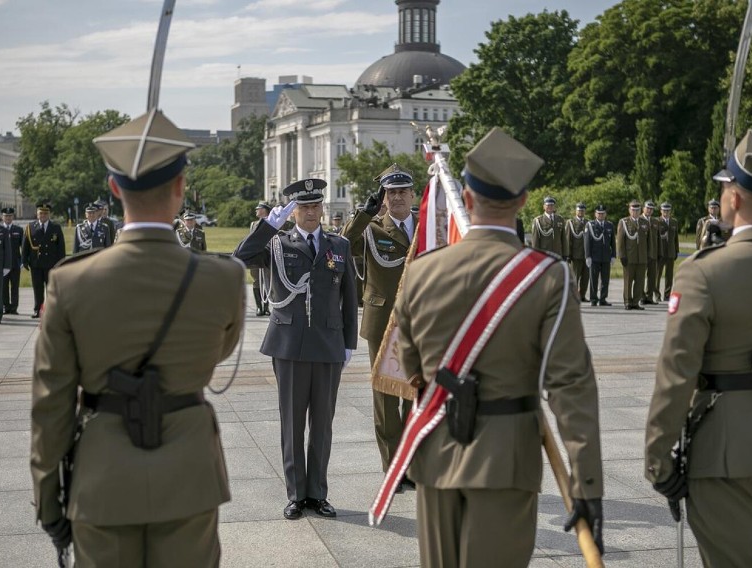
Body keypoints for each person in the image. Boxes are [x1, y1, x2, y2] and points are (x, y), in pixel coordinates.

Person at [31, 108, 245, 567]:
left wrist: (49, 502)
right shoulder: (222, 280)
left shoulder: (71, 283)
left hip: (102, 480)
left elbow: (51, 405)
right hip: (189, 477)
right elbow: (218, 352)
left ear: (112, 190)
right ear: (181, 185)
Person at [392, 127, 603, 567]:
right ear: (524, 201)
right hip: (506, 458)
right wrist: (586, 486)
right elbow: (571, 390)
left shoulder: (420, 273)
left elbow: (409, 363)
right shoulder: (548, 276)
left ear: (466, 199)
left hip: (436, 452)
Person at [645, 129, 752, 568]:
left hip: (726, 452)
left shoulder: (703, 273)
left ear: (734, 198)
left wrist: (659, 462)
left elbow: (676, 374)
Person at [234, 178, 357, 521]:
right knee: (292, 423)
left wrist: (349, 343)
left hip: (328, 343)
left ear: (322, 208)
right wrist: (267, 226)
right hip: (288, 345)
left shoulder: (339, 245)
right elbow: (239, 257)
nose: (311, 213)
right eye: (303, 208)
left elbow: (349, 298)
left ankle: (317, 493)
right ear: (292, 213)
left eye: (316, 206)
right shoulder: (276, 244)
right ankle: (295, 495)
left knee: (323, 424)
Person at [342, 163, 417, 492]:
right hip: (384, 321)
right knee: (387, 400)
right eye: (391, 192)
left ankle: (414, 466)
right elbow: (343, 245)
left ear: (413, 194)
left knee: (417, 397)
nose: (398, 197)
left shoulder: (428, 228)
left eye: (403, 191)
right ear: (383, 197)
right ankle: (394, 469)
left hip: (421, 323)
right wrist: (363, 213)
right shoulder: (372, 228)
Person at [22, 203, 66, 318]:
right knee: (37, 288)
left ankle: (51, 311)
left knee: (51, 289)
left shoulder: (55, 227)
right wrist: (24, 261)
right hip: (36, 263)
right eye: (41, 213)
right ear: (37, 214)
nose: (43, 215)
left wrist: (61, 262)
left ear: (49, 215)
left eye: (45, 213)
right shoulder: (30, 227)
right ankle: (38, 309)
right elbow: (25, 245)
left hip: (51, 263)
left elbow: (61, 247)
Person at [617, 200, 648, 310]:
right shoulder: (624, 222)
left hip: (642, 257)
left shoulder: (644, 222)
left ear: (640, 210)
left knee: (640, 281)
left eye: (637, 210)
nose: (635, 212)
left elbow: (648, 241)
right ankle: (627, 302)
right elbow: (620, 241)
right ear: (629, 210)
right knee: (628, 281)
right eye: (633, 210)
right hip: (629, 257)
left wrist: (647, 256)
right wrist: (622, 255)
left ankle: (636, 302)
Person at [584, 204, 615, 306]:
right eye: (599, 213)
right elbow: (587, 242)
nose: (601, 215)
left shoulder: (609, 225)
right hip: (594, 257)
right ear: (595, 214)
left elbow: (612, 242)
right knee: (594, 279)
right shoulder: (590, 225)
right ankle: (593, 298)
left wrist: (613, 255)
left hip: (605, 256)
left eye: (602, 214)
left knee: (605, 279)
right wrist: (588, 256)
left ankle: (603, 299)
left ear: (605, 214)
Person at [250, 202, 271, 316]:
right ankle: (259, 307)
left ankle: (266, 307)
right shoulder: (254, 224)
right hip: (256, 256)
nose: (256, 210)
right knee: (256, 281)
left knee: (267, 281)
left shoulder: (272, 223)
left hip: (267, 256)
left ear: (264, 210)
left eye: (258, 208)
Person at [564, 202, 589, 302]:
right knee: (575, 277)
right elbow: (567, 239)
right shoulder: (571, 222)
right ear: (576, 211)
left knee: (585, 278)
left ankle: (582, 295)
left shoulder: (588, 222)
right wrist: (568, 254)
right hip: (575, 255)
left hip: (586, 255)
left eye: (582, 211)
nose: (581, 212)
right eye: (579, 210)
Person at [1, 208, 23, 315]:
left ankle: (14, 307)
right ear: (2, 217)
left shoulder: (18, 230)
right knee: (3, 287)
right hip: (2, 264)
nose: (8, 218)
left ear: (13, 217)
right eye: (6, 216)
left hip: (15, 263)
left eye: (10, 216)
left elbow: (23, 247)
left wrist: (22, 261)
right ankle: (6, 307)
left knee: (15, 286)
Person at [655, 203, 679, 301]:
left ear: (670, 211)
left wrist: (676, 250)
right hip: (660, 252)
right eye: (664, 210)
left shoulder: (674, 222)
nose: (666, 212)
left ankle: (667, 295)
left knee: (669, 275)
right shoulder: (657, 221)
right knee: (657, 275)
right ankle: (657, 295)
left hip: (670, 252)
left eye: (668, 211)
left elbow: (675, 238)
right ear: (661, 211)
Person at [641, 201, 659, 303]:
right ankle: (642, 296)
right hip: (642, 254)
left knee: (652, 277)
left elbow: (658, 239)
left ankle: (649, 297)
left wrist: (659, 253)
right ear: (643, 208)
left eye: (651, 209)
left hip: (653, 253)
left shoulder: (655, 221)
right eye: (648, 208)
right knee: (641, 277)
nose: (649, 210)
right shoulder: (639, 220)